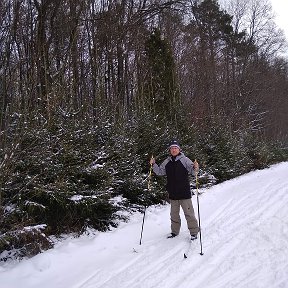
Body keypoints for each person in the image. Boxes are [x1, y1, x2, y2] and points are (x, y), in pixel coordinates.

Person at [150, 140, 199, 240]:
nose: (174, 150)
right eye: (172, 148)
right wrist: (153, 164)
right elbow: (160, 172)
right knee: (174, 215)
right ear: (170, 150)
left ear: (179, 149)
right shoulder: (167, 161)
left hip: (184, 192)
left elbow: (193, 172)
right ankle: (174, 232)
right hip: (173, 193)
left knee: (189, 214)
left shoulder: (185, 159)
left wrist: (196, 168)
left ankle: (194, 232)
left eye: (175, 148)